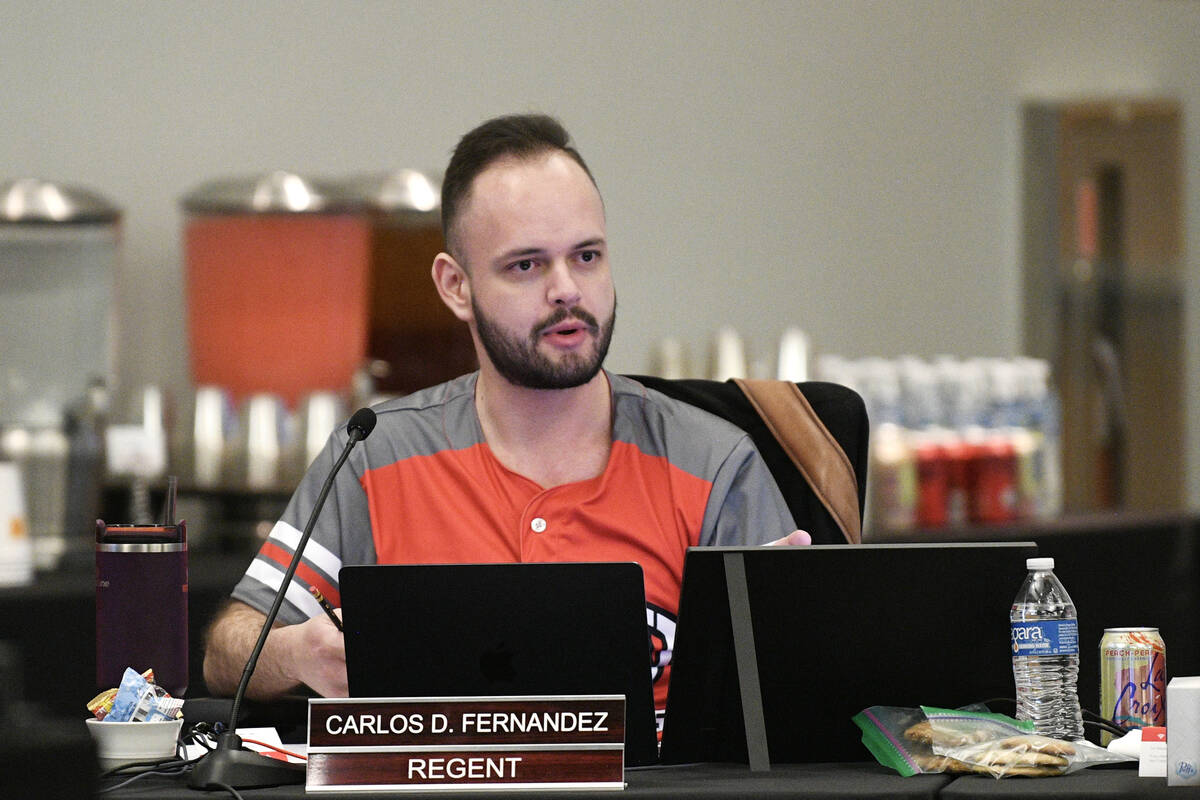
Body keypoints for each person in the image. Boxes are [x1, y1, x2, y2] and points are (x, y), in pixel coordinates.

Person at [203, 113, 809, 725]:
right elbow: (228, 651)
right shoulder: (375, 454)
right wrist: (296, 652)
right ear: (455, 286)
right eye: (527, 265)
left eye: (587, 256)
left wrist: (800, 633)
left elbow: (794, 710)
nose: (567, 289)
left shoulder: (713, 461)